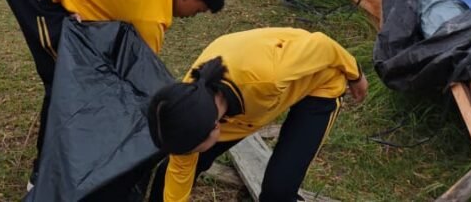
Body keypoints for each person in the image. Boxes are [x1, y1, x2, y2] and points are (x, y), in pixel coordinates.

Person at [0, 0, 226, 189]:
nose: (191, 17)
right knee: (65, 82)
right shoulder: (151, 15)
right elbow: (140, 82)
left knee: (79, 73)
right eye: (197, 11)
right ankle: (44, 176)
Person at [146, 27, 368, 201]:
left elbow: (322, 45)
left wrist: (355, 74)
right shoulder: (186, 106)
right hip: (252, 102)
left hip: (319, 85)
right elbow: (180, 169)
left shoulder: (269, 76)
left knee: (278, 191)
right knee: (170, 172)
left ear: (216, 128)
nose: (185, 156)